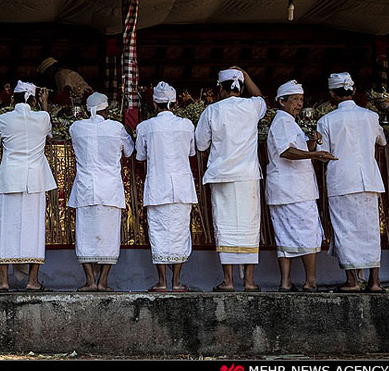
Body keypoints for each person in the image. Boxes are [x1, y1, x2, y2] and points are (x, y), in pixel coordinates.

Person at [195, 67, 266, 292]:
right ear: (242, 87)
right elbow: (261, 97)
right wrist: (246, 74)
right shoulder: (253, 106)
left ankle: (228, 281)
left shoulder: (211, 111)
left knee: (225, 226)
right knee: (249, 227)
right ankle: (250, 281)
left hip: (222, 175)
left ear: (220, 88)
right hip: (247, 176)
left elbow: (201, 144)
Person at [317, 72, 388, 293]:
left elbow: (323, 153)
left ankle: (352, 281)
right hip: (368, 180)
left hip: (342, 181)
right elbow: (382, 141)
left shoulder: (326, 120)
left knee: (345, 229)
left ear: (332, 93)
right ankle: (374, 281)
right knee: (370, 230)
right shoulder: (370, 116)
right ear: (354, 91)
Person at [265, 80, 337, 292]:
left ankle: (286, 283)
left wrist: (311, 143)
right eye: (294, 99)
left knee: (286, 235)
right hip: (293, 191)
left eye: (301, 99)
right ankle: (310, 282)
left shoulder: (289, 122)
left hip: (290, 190)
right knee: (306, 233)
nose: (299, 103)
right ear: (282, 101)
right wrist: (314, 153)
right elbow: (286, 151)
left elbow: (297, 149)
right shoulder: (282, 122)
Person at [0, 80, 56, 292]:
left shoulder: (3, 119)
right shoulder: (43, 117)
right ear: (35, 99)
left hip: (11, 178)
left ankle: (3, 281)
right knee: (34, 229)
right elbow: (49, 134)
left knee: (6, 228)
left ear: (12, 99)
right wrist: (45, 104)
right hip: (34, 180)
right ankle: (32, 280)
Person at [68, 92, 134, 291]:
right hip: (110, 188)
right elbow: (129, 151)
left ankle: (89, 280)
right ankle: (103, 281)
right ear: (107, 110)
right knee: (110, 235)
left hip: (86, 187)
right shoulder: (116, 128)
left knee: (84, 233)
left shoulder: (76, 127)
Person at [135, 81, 198, 292]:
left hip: (157, 187)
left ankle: (162, 282)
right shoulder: (187, 124)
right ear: (176, 102)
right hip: (181, 187)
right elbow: (191, 152)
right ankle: (177, 282)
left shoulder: (145, 127)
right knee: (180, 232)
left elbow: (141, 156)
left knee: (159, 233)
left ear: (154, 103)